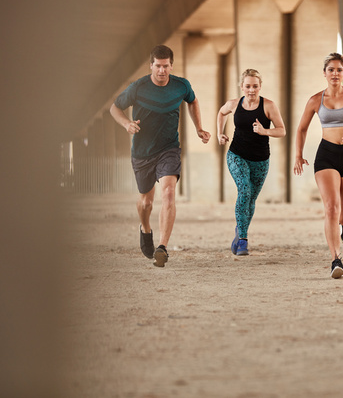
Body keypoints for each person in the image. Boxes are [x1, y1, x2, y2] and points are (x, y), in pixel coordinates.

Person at [110, 45, 211, 267]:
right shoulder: (138, 87)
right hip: (142, 152)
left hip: (169, 148)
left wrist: (199, 128)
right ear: (151, 66)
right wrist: (127, 123)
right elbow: (114, 108)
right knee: (146, 202)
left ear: (171, 66)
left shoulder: (181, 85)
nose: (162, 70)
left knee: (168, 193)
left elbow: (192, 101)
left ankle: (162, 248)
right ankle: (145, 229)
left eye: (166, 66)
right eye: (158, 66)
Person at [294, 53, 343, 279]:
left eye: (339, 70)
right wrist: (298, 155)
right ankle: (335, 259)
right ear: (324, 73)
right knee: (331, 207)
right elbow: (301, 129)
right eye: (331, 69)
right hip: (326, 155)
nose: (335, 74)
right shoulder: (315, 100)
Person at [216, 69, 286, 256]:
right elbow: (221, 113)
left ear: (260, 87)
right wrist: (219, 133)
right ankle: (243, 241)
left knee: (251, 200)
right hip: (236, 155)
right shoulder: (234, 104)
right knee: (244, 190)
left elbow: (281, 130)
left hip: (261, 160)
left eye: (255, 86)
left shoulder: (269, 106)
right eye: (248, 86)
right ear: (242, 87)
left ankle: (240, 229)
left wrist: (265, 131)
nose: (251, 90)